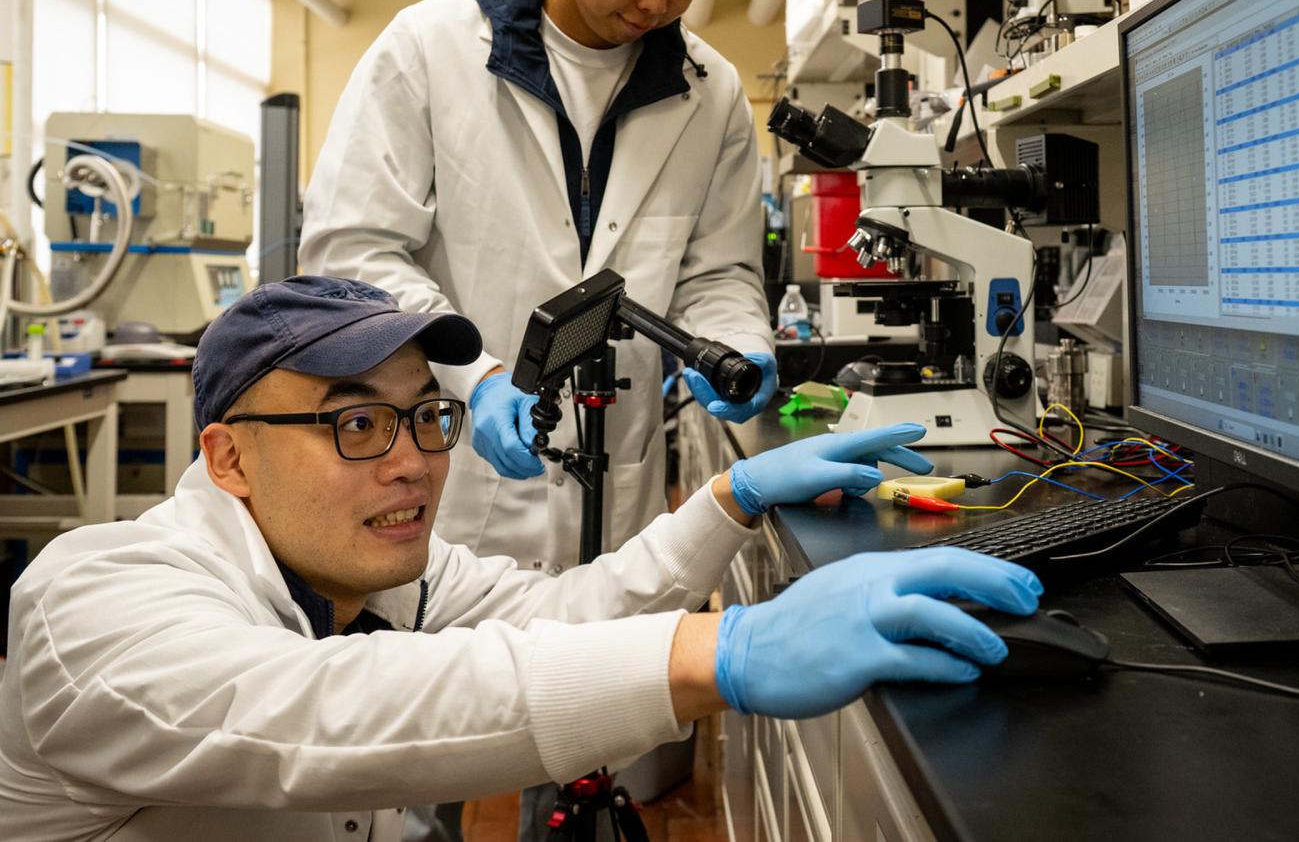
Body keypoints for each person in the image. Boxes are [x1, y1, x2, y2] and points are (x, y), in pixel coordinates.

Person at [0, 277, 1044, 841]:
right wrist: (711, 654)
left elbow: (566, 611)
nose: (413, 465)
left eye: (425, 417)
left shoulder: (384, 571)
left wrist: (729, 501)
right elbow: (318, 709)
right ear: (228, 456)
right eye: (357, 425)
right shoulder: (93, 604)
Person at [299, 0, 778, 579]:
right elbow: (349, 250)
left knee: (603, 683)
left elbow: (717, 272)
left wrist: (736, 341)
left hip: (621, 488)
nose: (659, 0)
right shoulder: (430, 49)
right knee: (456, 685)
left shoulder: (711, 92)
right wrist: (476, 377)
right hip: (451, 472)